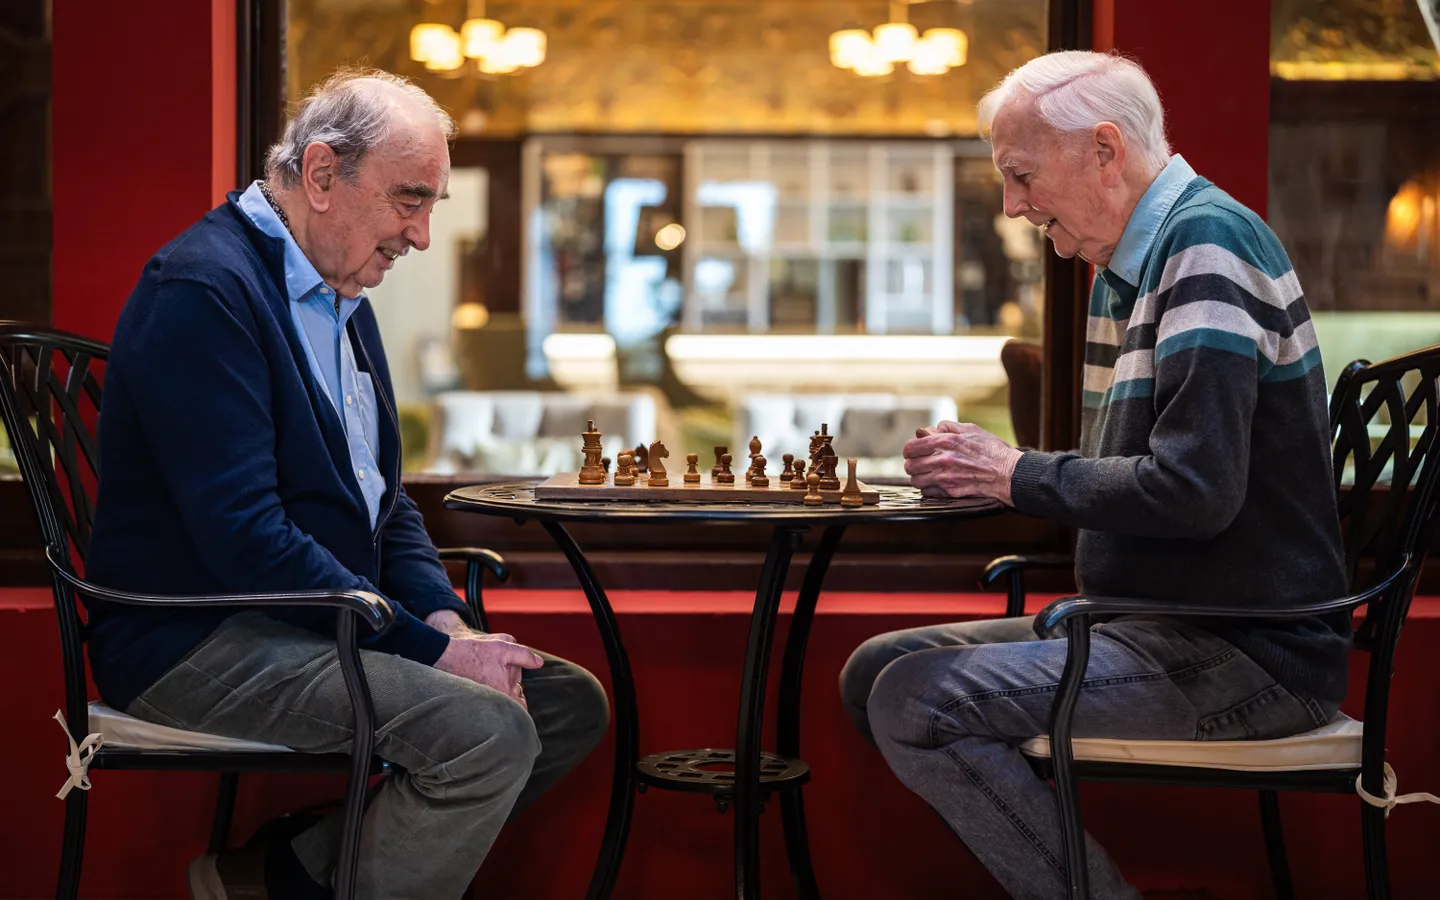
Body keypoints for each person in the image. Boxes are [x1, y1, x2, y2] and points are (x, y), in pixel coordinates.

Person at [85, 68, 609, 899]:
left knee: (564, 705)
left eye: (431, 206)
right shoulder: (204, 290)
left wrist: (442, 615)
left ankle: (283, 876)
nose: (423, 236)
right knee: (490, 733)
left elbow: (383, 496)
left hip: (301, 623)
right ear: (322, 175)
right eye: (410, 200)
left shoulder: (336, 292)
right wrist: (434, 651)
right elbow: (243, 540)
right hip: (192, 640)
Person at [839, 51, 1348, 899]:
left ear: (1105, 150)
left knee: (916, 701)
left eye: (1021, 175)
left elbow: (1193, 492)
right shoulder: (1133, 264)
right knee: (875, 674)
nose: (1012, 205)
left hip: (1245, 653)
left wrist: (1012, 474)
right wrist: (1011, 474)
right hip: (1157, 627)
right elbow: (1132, 476)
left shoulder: (1206, 247)